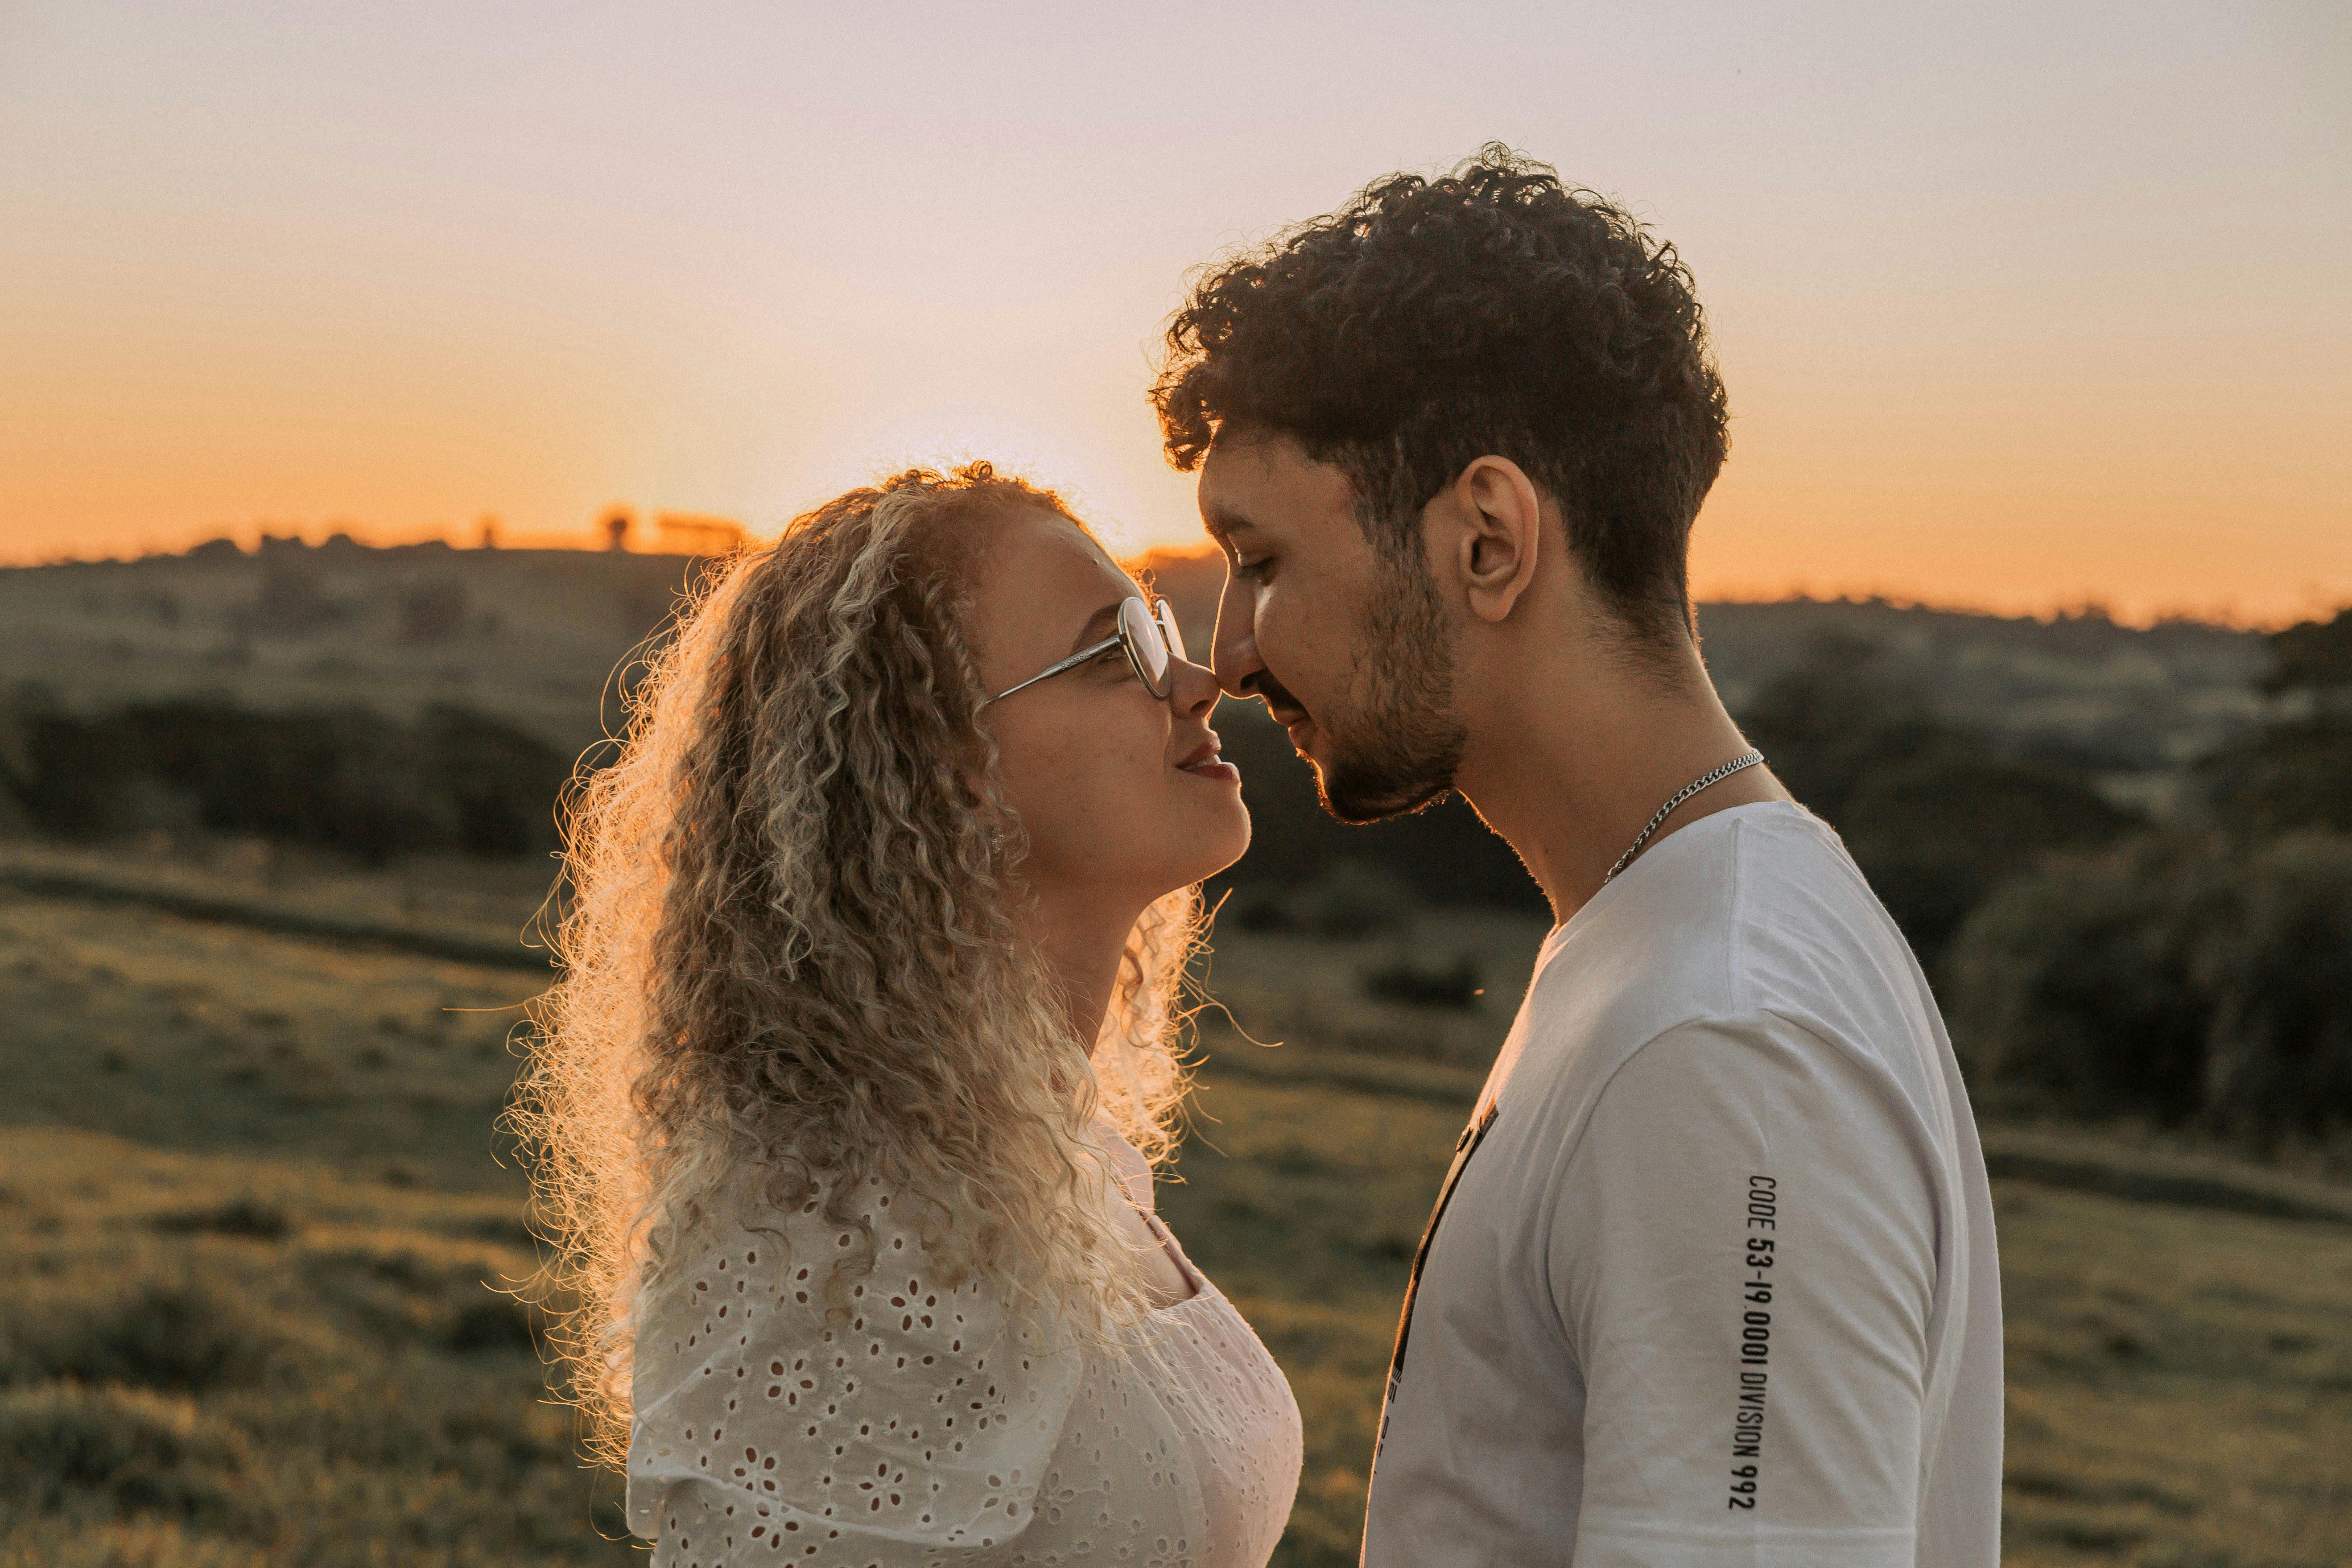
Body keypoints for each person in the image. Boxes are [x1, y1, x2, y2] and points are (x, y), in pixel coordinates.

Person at [1152, 146, 2002, 1568]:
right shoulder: (1665, 945)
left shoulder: (1726, 1042)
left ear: (1487, 539)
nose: (1231, 647)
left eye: (1264, 558)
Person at [518, 464, 1302, 1567]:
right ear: (946, 766)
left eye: (1156, 620)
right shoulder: (842, 1240)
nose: (1192, 678)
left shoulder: (1040, 1156)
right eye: (1116, 642)